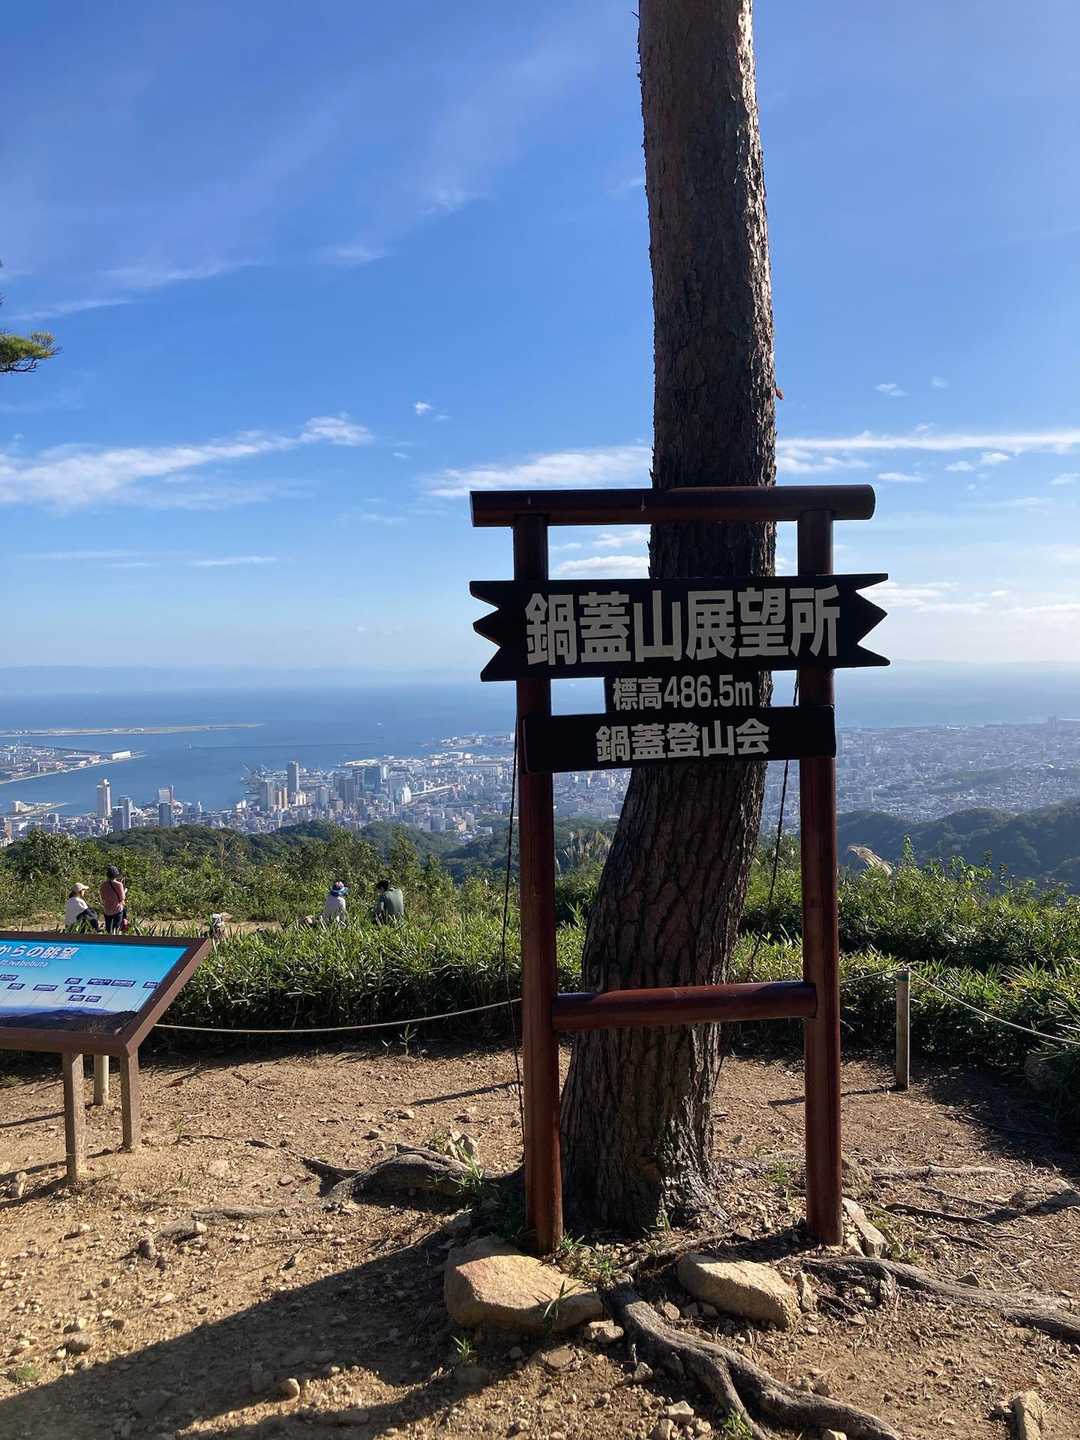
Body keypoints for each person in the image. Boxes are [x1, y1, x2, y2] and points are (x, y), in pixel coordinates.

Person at [100, 864, 127, 934]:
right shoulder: (119, 884)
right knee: (116, 930)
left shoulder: (102, 885)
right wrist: (124, 891)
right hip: (117, 910)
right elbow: (122, 898)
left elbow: (103, 897)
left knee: (108, 930)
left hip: (107, 910)